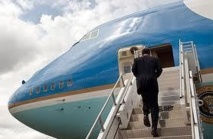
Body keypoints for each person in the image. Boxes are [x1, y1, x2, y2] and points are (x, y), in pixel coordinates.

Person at [132, 48, 162, 137]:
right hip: (152, 83)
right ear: (149, 53)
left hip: (141, 84)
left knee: (145, 100)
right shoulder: (155, 59)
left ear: (142, 53)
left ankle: (145, 114)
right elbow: (160, 70)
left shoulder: (137, 60)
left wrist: (140, 77)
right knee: (154, 106)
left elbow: (134, 71)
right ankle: (154, 129)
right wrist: (154, 76)